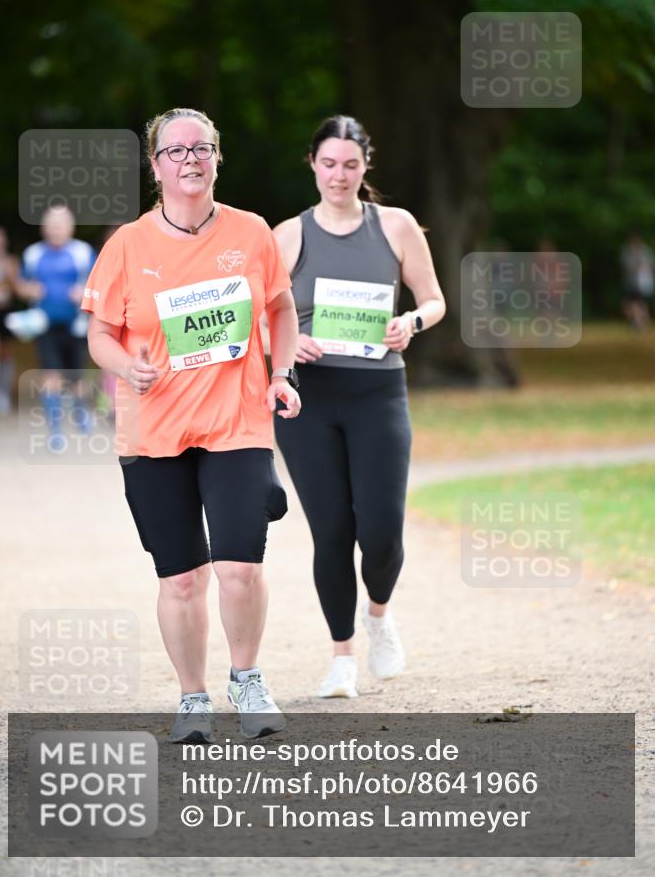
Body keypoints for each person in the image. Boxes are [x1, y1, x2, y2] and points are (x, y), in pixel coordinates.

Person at [82, 107, 300, 741]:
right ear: (155, 167)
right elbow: (99, 334)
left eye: (201, 148)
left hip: (237, 422)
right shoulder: (127, 244)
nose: (189, 160)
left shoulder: (252, 232)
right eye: (175, 152)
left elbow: (282, 309)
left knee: (240, 568)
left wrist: (281, 372)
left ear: (217, 158)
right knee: (180, 578)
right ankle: (193, 699)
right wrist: (128, 365)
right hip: (153, 432)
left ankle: (248, 681)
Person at [270, 115, 445, 699]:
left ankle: (379, 614)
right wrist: (291, 342)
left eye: (350, 164)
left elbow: (434, 300)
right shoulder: (287, 235)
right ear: (312, 165)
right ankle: (342, 655)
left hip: (379, 392)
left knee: (382, 533)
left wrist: (411, 321)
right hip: (310, 398)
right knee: (332, 532)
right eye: (328, 163)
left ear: (365, 166)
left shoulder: (395, 226)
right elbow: (256, 317)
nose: (339, 175)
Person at [17, 202, 96, 449]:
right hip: (45, 326)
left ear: (70, 227)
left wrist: (83, 293)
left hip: (76, 325)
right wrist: (28, 289)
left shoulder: (83, 252)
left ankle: (81, 413)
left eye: (61, 225)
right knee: (51, 376)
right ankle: (55, 429)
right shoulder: (33, 254)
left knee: (77, 377)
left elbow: (98, 287)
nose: (56, 229)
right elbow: (20, 285)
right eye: (52, 225)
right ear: (44, 227)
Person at [0, 225, 18, 415]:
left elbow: (15, 287)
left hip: (7, 311)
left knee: (5, 354)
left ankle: (4, 394)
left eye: (0, 238)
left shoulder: (11, 262)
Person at [620, 233, 654, 331]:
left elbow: (650, 267)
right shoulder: (627, 252)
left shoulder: (645, 252)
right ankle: (642, 322)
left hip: (642, 284)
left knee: (636, 304)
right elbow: (628, 268)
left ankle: (639, 323)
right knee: (635, 305)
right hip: (632, 283)